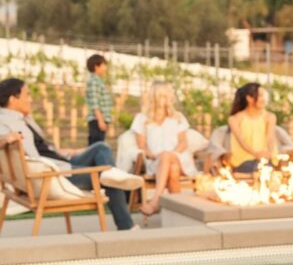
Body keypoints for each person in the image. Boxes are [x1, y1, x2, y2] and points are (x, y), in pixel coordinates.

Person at [0, 77, 142, 231]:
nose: (30, 99)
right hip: (56, 175)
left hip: (61, 162)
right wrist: (7, 137)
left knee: (101, 148)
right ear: (13, 99)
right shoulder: (5, 121)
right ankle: (126, 225)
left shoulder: (23, 119)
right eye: (27, 95)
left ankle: (114, 175)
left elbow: (42, 148)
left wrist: (66, 152)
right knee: (108, 176)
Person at [134, 82, 196, 216]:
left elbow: (183, 143)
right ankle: (179, 213)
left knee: (168, 158)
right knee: (171, 168)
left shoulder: (178, 117)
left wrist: (168, 155)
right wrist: (158, 157)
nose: (166, 99)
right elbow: (142, 145)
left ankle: (155, 201)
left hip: (179, 158)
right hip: (155, 161)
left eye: (167, 96)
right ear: (154, 97)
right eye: (162, 96)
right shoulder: (142, 119)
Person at [227, 83, 277, 174]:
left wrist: (269, 153)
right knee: (259, 170)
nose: (263, 99)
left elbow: (270, 138)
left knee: (268, 169)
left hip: (266, 159)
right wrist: (256, 154)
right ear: (249, 98)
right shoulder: (234, 119)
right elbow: (242, 141)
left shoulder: (270, 117)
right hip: (244, 161)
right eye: (260, 96)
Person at [85, 53, 113, 145]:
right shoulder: (94, 82)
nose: (105, 68)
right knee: (96, 147)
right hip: (96, 120)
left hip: (99, 119)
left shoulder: (98, 81)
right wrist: (100, 120)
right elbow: (95, 103)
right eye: (103, 65)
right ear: (96, 66)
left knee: (98, 146)